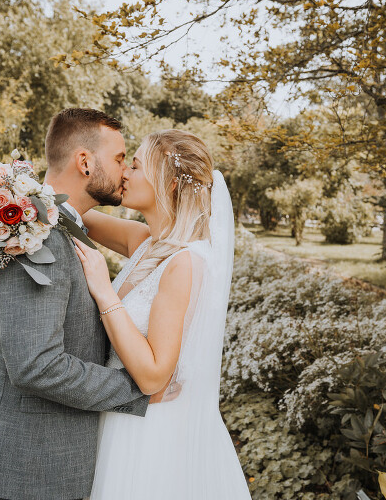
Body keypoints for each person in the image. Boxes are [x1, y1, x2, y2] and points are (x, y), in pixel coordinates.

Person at [0, 108, 150, 500]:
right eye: (119, 159)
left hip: (49, 461)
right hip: (31, 467)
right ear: (85, 162)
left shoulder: (60, 225)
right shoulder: (35, 239)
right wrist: (137, 389)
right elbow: (36, 365)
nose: (124, 171)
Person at [73, 129, 252, 499]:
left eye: (135, 166)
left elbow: (154, 376)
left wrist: (104, 289)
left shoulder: (184, 263)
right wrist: (18, 196)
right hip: (120, 414)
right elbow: (73, 215)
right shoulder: (146, 242)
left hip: (151, 432)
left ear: (169, 184)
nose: (124, 174)